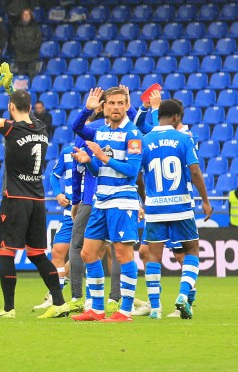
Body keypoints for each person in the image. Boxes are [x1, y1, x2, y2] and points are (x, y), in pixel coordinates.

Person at [0, 62, 68, 319]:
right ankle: (59, 302)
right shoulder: (41, 127)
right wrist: (11, 90)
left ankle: (8, 308)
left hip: (15, 198)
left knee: (6, 250)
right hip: (37, 199)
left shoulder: (10, 127)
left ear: (10, 108)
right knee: (37, 253)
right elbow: (23, 111)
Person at [71, 86, 143, 322]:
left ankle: (125, 311)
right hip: (100, 201)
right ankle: (97, 309)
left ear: (126, 106)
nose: (116, 107)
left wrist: (104, 157)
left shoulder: (133, 134)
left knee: (122, 254)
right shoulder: (100, 132)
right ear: (104, 107)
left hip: (122, 201)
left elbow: (132, 171)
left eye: (120, 103)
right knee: (88, 253)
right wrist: (88, 161)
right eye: (111, 103)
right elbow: (77, 129)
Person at [140, 99, 213, 319]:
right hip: (180, 205)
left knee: (153, 255)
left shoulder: (144, 140)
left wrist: (146, 199)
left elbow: (136, 176)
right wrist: (206, 201)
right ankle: (183, 295)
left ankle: (155, 308)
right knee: (191, 250)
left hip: (154, 208)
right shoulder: (184, 139)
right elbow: (195, 172)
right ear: (176, 118)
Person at [33, 144, 74, 310]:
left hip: (93, 209)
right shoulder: (67, 152)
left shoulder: (100, 149)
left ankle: (102, 298)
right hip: (70, 211)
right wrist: (58, 193)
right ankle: (56, 295)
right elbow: (54, 176)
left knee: (94, 252)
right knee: (57, 251)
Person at [10, 9, 42, 77]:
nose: (26, 16)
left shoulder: (35, 27)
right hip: (20, 56)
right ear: (22, 16)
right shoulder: (17, 27)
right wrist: (18, 48)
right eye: (24, 14)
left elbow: (39, 40)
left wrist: (31, 47)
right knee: (21, 77)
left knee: (32, 75)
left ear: (31, 16)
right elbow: (13, 40)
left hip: (32, 55)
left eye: (28, 14)